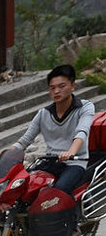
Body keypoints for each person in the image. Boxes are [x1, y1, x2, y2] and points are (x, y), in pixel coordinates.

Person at [12, 64, 96, 195]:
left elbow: (82, 132)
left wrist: (71, 152)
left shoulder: (85, 107)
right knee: (24, 187)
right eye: (52, 88)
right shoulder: (43, 113)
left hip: (75, 162)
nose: (56, 91)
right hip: (50, 162)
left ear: (73, 85)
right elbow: (25, 140)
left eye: (61, 86)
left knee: (59, 191)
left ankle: (70, 216)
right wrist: (7, 154)